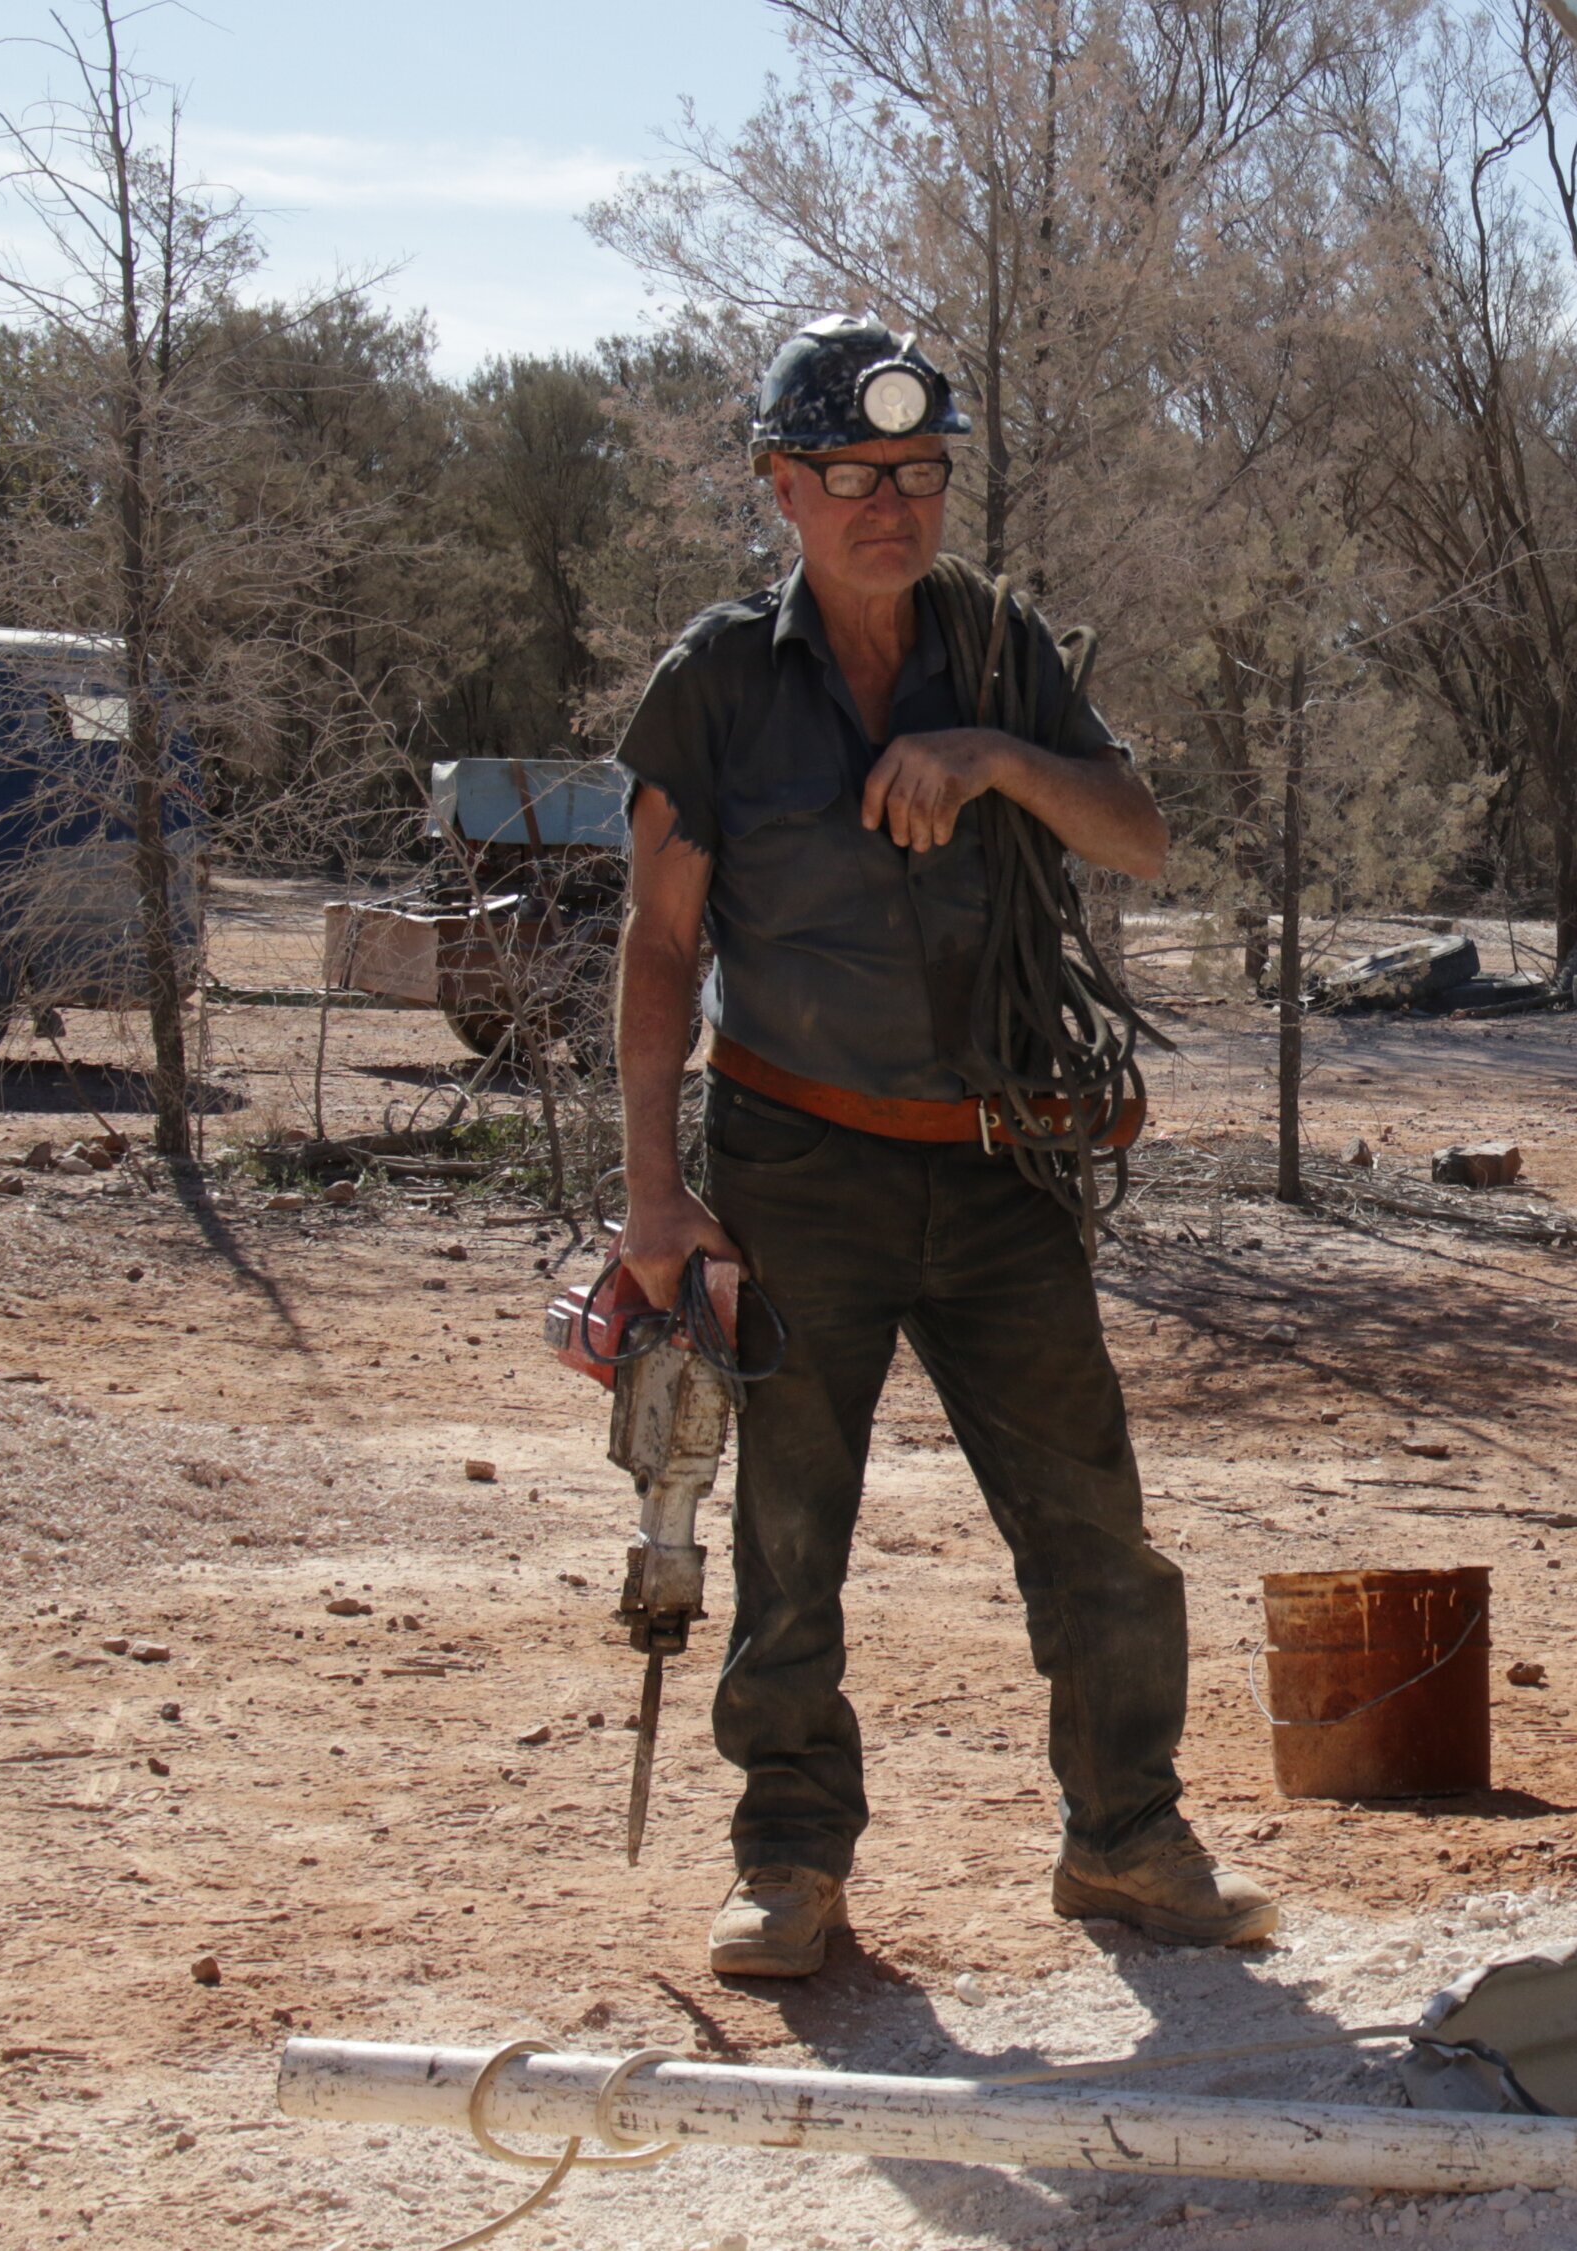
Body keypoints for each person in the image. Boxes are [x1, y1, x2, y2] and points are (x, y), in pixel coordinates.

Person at [608, 315, 1274, 1974]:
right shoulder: (715, 685)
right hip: (796, 1168)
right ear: (781, 489)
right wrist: (650, 1191)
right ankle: (790, 1864)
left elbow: (1141, 834)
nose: (888, 505)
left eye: (918, 472)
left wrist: (991, 760)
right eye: (850, 475)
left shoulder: (1000, 654)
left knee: (1093, 1527)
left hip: (998, 1167)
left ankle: (1126, 1839)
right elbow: (657, 945)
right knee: (784, 1537)